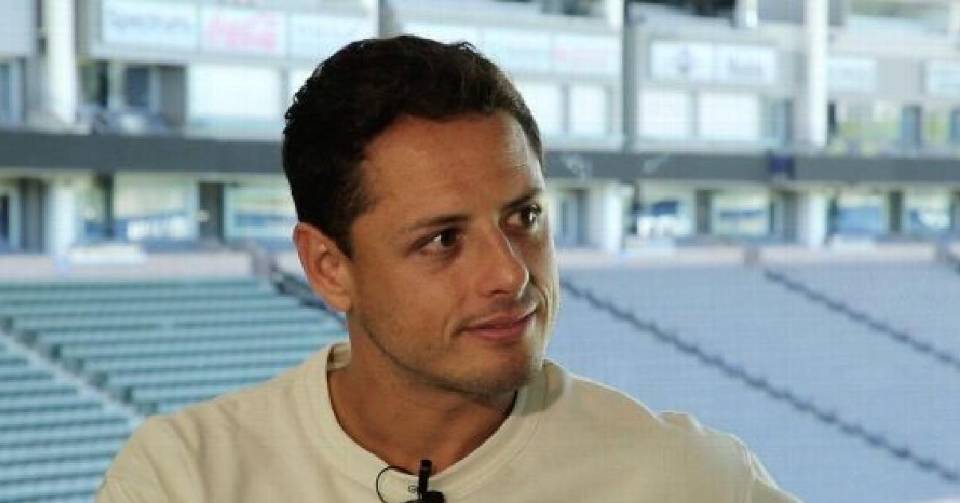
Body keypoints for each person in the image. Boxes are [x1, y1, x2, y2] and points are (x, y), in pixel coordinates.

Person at [96, 35, 801, 503]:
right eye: (442, 240)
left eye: (524, 217)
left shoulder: (689, 481)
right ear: (329, 266)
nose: (510, 276)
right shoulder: (185, 478)